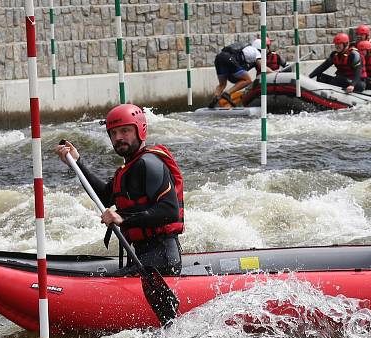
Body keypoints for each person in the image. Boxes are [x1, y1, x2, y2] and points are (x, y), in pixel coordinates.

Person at [53, 104, 184, 276]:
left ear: (140, 130)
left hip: (163, 258)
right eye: (113, 133)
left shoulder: (149, 163)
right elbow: (105, 198)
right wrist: (77, 163)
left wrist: (123, 217)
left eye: (125, 131)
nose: (118, 137)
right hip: (144, 255)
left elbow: (170, 211)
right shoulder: (128, 168)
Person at [210, 42, 265, 108]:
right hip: (229, 59)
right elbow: (263, 67)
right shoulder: (257, 53)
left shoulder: (247, 47)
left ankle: (215, 98)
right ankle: (227, 93)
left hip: (219, 58)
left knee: (222, 84)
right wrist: (273, 72)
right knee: (248, 80)